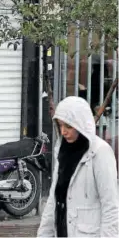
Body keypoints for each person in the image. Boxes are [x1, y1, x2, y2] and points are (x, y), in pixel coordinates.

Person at [37, 96, 118, 237]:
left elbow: (110, 206)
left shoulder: (100, 152)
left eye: (68, 126)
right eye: (60, 125)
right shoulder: (62, 151)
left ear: (81, 124)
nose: (63, 132)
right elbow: (53, 200)